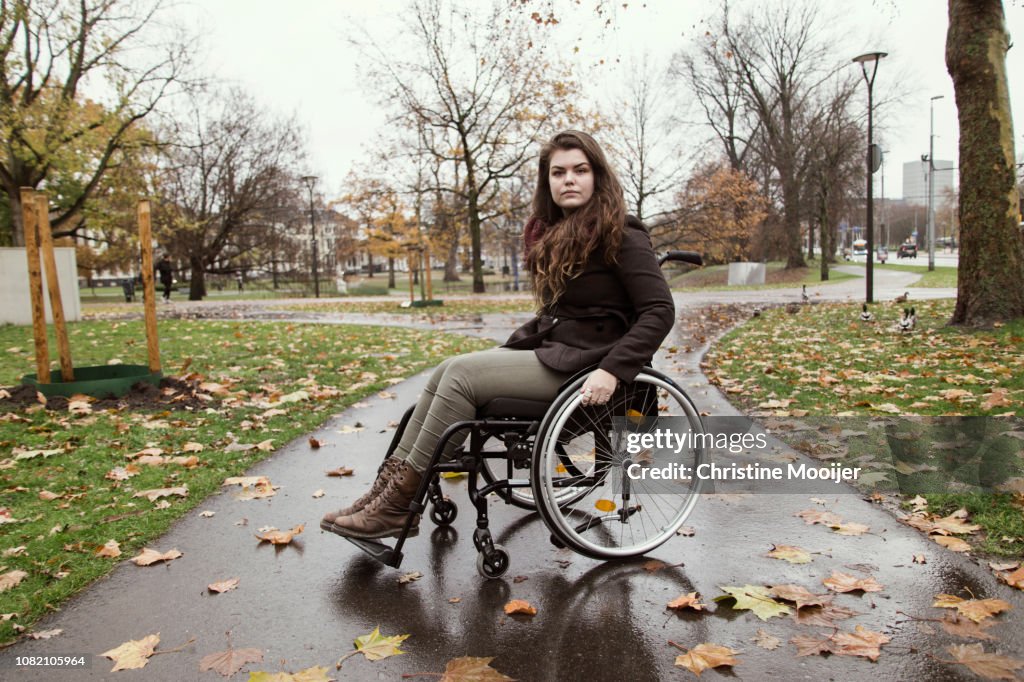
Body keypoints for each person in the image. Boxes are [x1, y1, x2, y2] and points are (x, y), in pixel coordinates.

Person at [321, 130, 675, 540]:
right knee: (446, 370)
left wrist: (613, 369)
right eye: (558, 173)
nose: (569, 180)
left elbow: (659, 311)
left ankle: (398, 506)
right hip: (562, 351)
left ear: (598, 176)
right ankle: (383, 496)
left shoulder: (623, 235)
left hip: (591, 366)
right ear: (548, 183)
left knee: (461, 377)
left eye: (580, 170)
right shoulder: (561, 235)